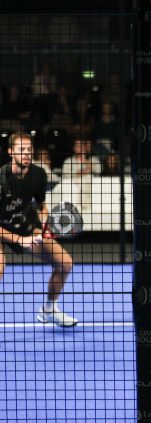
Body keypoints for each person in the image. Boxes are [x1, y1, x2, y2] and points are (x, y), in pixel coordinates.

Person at [0, 133, 77, 327]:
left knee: (65, 263)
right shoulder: (1, 179)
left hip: (25, 225)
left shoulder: (39, 175)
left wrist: (44, 225)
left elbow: (41, 206)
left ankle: (49, 310)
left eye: (29, 149)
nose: (27, 153)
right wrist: (19, 239)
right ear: (11, 152)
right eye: (21, 150)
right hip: (2, 229)